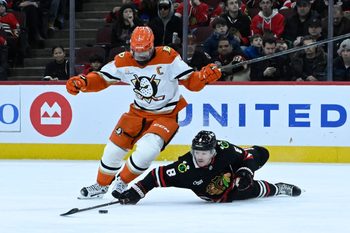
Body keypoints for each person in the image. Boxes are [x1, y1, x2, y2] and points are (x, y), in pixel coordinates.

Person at [66, 26, 222, 199]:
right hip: (137, 113)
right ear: (130, 48)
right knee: (112, 151)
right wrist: (84, 82)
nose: (140, 57)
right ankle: (101, 185)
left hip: (166, 114)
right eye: (136, 53)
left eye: (145, 53)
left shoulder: (169, 56)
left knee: (147, 151)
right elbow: (102, 78)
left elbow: (191, 82)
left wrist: (203, 77)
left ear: (152, 46)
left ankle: (123, 181)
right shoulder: (123, 60)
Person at [118, 130, 302, 204]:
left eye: (204, 152)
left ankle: (242, 175)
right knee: (253, 190)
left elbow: (248, 157)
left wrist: (245, 172)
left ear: (213, 151)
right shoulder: (185, 167)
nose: (199, 156)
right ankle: (278, 188)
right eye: (197, 152)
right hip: (219, 193)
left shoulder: (224, 150)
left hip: (230, 171)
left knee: (261, 153)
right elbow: (156, 176)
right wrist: (136, 192)